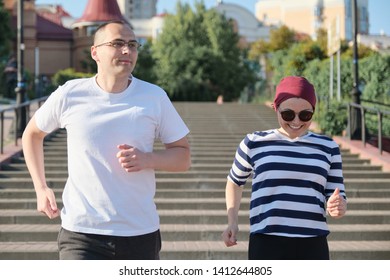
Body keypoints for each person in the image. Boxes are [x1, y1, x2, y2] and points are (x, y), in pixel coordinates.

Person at [22, 20, 191, 260]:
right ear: (95, 52)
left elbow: (183, 157)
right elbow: (32, 134)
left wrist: (148, 159)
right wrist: (40, 187)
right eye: (118, 43)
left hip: (139, 232)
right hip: (81, 232)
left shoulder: (154, 97)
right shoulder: (70, 93)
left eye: (133, 45)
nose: (127, 51)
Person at [221, 76, 347, 260]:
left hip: (313, 243)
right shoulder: (254, 142)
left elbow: (336, 195)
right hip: (266, 242)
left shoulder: (328, 147)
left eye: (305, 115)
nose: (296, 121)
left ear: (313, 111)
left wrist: (338, 207)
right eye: (288, 114)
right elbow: (234, 182)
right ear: (276, 108)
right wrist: (232, 222)